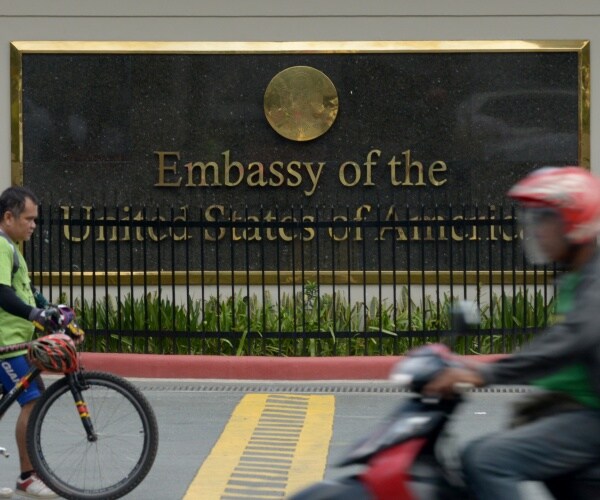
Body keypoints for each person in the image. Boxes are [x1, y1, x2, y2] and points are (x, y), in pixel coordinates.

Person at [424, 166, 600, 499]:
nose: (536, 230)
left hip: (592, 416)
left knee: (487, 460)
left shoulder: (595, 283)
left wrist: (484, 373)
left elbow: (570, 340)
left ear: (574, 223)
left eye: (545, 219)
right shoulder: (574, 280)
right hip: (575, 409)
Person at [0, 186, 62, 498]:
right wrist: (34, 314)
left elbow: (27, 290)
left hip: (15, 343)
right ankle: (28, 475)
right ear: (8, 217)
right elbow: (1, 293)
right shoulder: (0, 246)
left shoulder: (11, 248)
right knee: (33, 399)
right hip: (4, 345)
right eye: (29, 218)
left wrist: (50, 309)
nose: (34, 225)